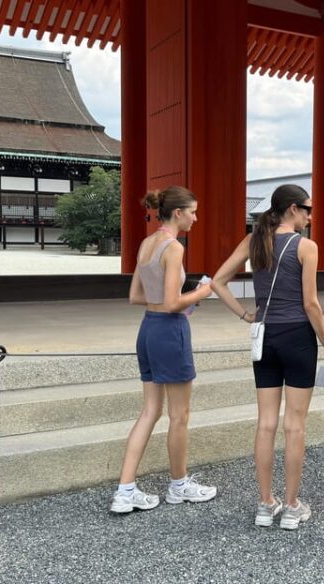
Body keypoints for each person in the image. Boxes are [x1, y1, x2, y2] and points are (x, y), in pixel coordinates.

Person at [211, 184, 324, 530]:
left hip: (263, 335)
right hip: (297, 336)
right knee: (294, 425)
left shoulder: (254, 241)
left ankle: (266, 504)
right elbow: (311, 304)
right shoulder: (306, 246)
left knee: (266, 422)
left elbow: (218, 281)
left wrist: (245, 314)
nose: (310, 216)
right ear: (293, 209)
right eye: (308, 209)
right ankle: (292, 507)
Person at [110, 186, 217, 513]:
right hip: (170, 332)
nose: (195, 218)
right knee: (179, 415)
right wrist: (202, 292)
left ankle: (125, 490)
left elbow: (135, 296)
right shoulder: (174, 247)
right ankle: (179, 485)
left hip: (147, 329)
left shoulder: (146, 244)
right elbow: (172, 303)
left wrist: (177, 300)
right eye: (193, 212)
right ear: (178, 213)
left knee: (149, 412)